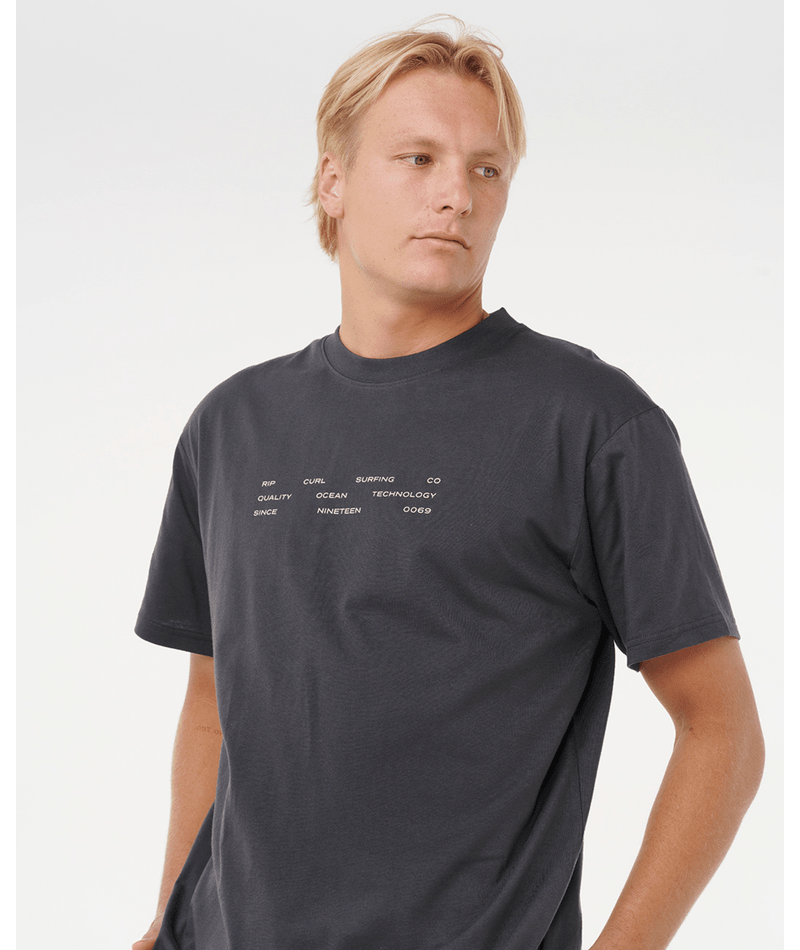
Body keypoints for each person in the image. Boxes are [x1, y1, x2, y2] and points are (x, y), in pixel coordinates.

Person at [133, 17, 764, 950]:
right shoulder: (230, 425)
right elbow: (212, 707)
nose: (457, 197)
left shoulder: (592, 423)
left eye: (486, 169)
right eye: (418, 159)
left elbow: (723, 731)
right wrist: (165, 921)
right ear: (332, 181)